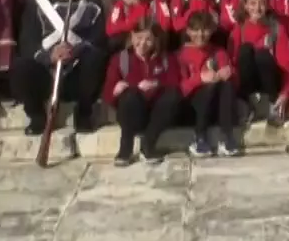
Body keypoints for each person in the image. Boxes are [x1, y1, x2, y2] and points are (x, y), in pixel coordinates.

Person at [10, 0, 108, 140]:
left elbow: (99, 40)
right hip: (46, 75)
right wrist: (50, 56)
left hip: (77, 75)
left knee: (96, 58)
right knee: (20, 66)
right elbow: (27, 43)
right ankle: (37, 115)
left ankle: (84, 113)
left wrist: (75, 51)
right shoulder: (36, 5)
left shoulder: (93, 4)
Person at [103, 18, 177, 166]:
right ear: (132, 36)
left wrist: (157, 83)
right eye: (139, 38)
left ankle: (148, 145)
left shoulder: (165, 58)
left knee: (172, 97)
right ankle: (125, 148)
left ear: (156, 40)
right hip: (132, 114)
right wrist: (117, 90)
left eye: (148, 39)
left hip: (156, 115)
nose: (143, 43)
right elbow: (107, 94)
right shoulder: (120, 59)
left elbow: (176, 82)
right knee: (130, 97)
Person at [177, 10, 241, 158]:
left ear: (211, 30)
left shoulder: (219, 52)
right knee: (208, 87)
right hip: (194, 107)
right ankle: (199, 137)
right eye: (196, 30)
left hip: (217, 106)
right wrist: (200, 79)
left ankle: (227, 136)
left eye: (205, 30)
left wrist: (229, 73)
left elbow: (233, 82)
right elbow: (181, 88)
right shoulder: (182, 55)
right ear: (188, 31)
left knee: (226, 85)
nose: (200, 35)